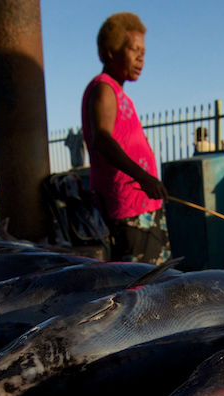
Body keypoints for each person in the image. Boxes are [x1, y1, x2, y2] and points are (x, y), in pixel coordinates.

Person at [82, 12, 171, 264]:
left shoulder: (119, 93)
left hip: (144, 206)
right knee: (139, 289)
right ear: (111, 51)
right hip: (128, 209)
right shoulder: (104, 87)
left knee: (159, 283)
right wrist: (142, 176)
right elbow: (102, 139)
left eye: (143, 50)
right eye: (133, 49)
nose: (141, 56)